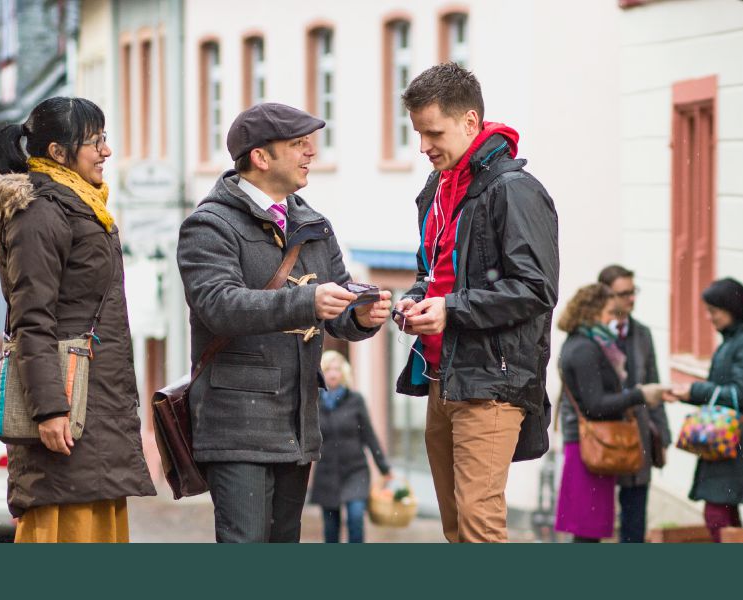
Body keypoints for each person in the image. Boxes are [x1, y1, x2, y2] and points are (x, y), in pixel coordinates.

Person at [177, 102, 392, 543]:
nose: (310, 153)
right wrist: (307, 300)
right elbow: (218, 304)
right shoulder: (208, 225)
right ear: (261, 157)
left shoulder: (313, 223)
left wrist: (361, 315)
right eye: (298, 144)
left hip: (297, 424)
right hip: (238, 424)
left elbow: (337, 309)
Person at [0, 96, 155, 543]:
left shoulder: (80, 207)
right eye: (95, 141)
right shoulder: (40, 212)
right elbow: (31, 319)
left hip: (96, 411)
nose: (106, 151)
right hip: (68, 414)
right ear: (57, 152)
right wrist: (51, 410)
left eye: (104, 139)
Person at [392, 62, 559, 543]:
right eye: (419, 133)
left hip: (491, 385)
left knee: (480, 530)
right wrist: (416, 300)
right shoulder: (437, 190)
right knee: (458, 530)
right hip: (443, 380)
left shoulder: (515, 191)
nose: (424, 146)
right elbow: (434, 274)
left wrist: (450, 310)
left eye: (433, 132)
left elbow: (535, 289)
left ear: (470, 123)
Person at [554, 283, 667, 542]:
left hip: (593, 445)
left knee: (589, 530)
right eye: (609, 312)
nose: (612, 320)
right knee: (587, 533)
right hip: (590, 446)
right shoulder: (584, 348)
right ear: (592, 311)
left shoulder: (587, 342)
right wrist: (639, 395)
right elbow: (595, 404)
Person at [667, 277, 743, 542]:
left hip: (735, 440)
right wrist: (688, 395)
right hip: (724, 439)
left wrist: (696, 391)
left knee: (717, 514)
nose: (709, 317)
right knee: (725, 514)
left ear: (731, 308)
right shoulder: (734, 339)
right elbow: (724, 388)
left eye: (714, 311)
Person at [598, 264, 671, 543]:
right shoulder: (591, 333)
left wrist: (662, 434)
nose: (631, 299)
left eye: (633, 291)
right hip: (601, 437)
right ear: (606, 295)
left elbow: (654, 382)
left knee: (634, 519)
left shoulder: (642, 334)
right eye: (624, 293)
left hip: (637, 436)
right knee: (593, 522)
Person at [309, 351, 392, 543]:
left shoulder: (355, 400)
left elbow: (369, 436)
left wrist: (384, 468)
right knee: (331, 530)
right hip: (327, 472)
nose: (332, 373)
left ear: (344, 372)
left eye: (337, 369)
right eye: (328, 369)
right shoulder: (314, 402)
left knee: (355, 519)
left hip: (355, 471)